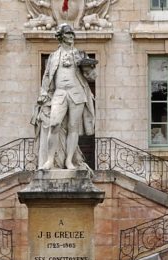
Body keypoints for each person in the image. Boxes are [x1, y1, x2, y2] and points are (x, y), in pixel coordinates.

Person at [36, 23, 97, 170]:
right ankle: (50, 160)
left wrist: (88, 69)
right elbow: (47, 76)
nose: (71, 37)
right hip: (60, 93)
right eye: (68, 34)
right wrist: (43, 93)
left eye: (72, 34)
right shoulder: (53, 56)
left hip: (76, 94)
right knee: (54, 124)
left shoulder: (80, 55)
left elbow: (92, 78)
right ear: (61, 36)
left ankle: (69, 161)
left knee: (73, 128)